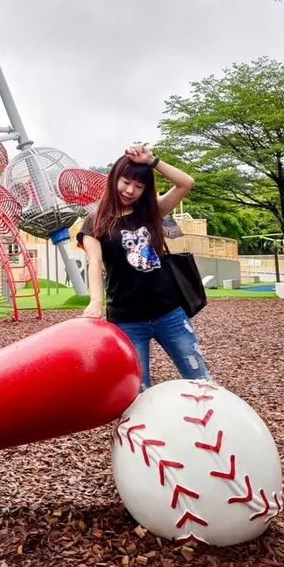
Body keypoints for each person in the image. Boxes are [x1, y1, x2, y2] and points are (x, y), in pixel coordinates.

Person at [76, 144, 211, 391]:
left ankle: (211, 427)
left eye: (139, 187)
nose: (130, 191)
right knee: (138, 390)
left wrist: (153, 161)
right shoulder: (94, 222)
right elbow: (93, 263)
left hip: (168, 312)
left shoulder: (152, 212)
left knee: (200, 380)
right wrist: (95, 302)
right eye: (126, 182)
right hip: (127, 319)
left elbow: (186, 183)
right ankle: (142, 431)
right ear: (114, 178)